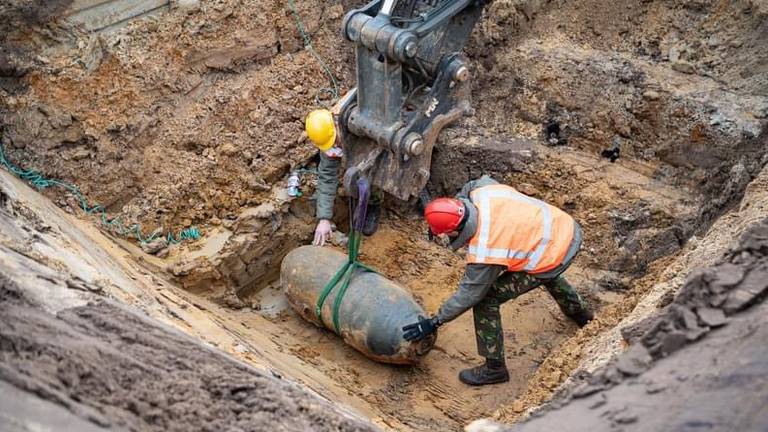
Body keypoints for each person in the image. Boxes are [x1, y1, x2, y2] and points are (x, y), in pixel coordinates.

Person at [402, 175, 594, 386]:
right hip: (563, 228)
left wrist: (434, 321)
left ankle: (495, 369)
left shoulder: (485, 250)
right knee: (538, 263)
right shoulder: (483, 192)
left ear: (454, 230)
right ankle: (581, 313)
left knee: (487, 300)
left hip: (552, 253)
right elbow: (472, 184)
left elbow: (470, 295)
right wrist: (446, 213)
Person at [305, 108, 382, 246]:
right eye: (331, 145)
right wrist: (324, 218)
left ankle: (374, 203)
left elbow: (374, 163)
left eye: (335, 141)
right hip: (353, 148)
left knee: (371, 175)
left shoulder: (360, 125)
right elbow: (327, 177)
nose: (334, 146)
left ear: (336, 125)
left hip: (374, 147)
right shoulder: (326, 140)